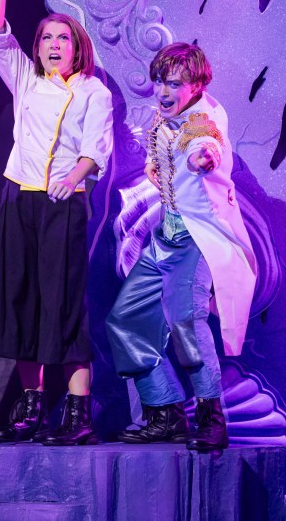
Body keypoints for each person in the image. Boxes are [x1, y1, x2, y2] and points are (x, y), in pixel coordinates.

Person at [0, 0, 114, 446]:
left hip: (64, 204)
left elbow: (96, 149)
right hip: (19, 199)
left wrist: (74, 174)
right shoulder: (26, 80)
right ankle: (32, 406)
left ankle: (78, 414)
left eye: (64, 38)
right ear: (37, 48)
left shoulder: (94, 92)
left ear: (77, 48)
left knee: (64, 304)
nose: (54, 45)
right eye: (47, 38)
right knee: (21, 300)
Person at [105, 42, 257, 452]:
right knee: (125, 320)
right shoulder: (167, 116)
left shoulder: (203, 121)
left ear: (196, 85)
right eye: (159, 82)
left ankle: (212, 416)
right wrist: (156, 164)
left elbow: (206, 144)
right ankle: (165, 411)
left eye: (174, 83)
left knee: (186, 323)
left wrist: (202, 160)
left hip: (195, 239)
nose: (163, 91)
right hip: (165, 237)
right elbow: (163, 144)